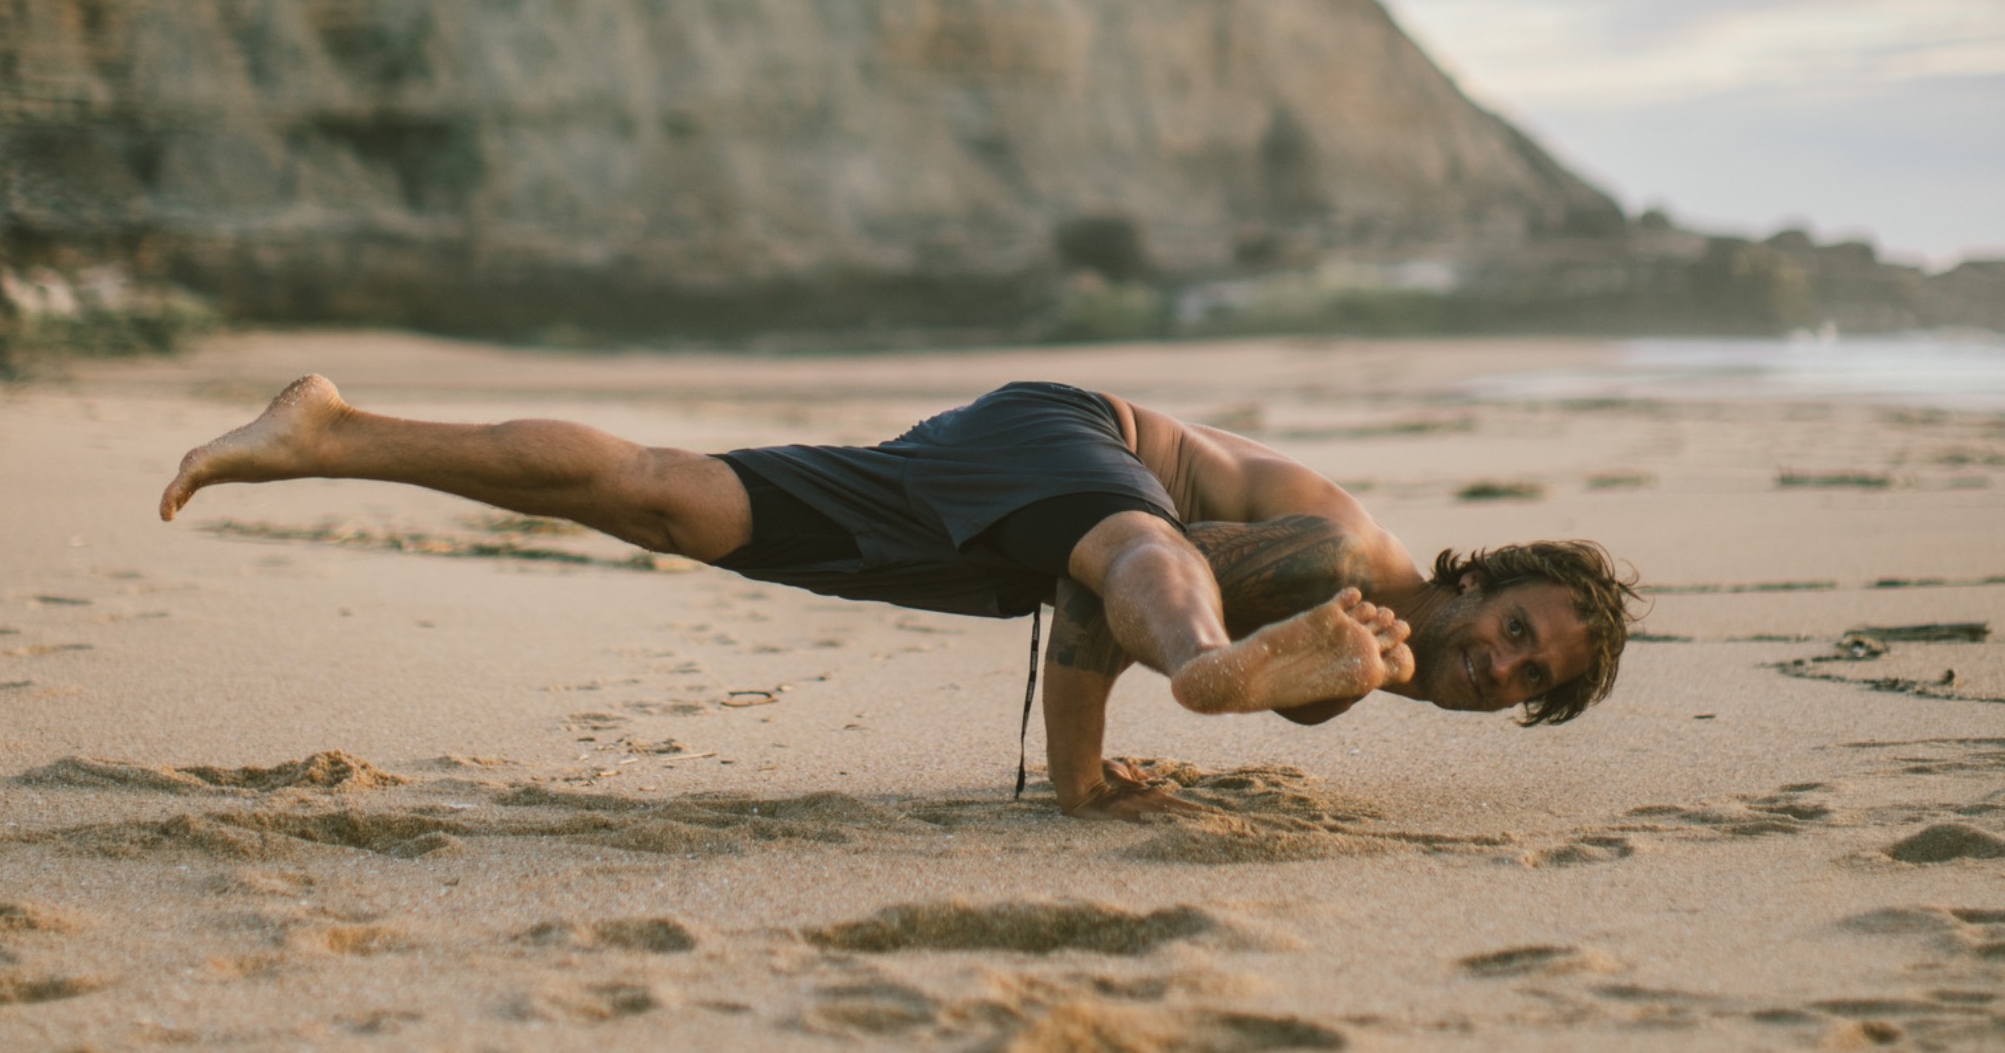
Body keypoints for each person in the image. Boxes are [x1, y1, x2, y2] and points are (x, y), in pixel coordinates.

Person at [160, 377, 1640, 822]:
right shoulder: (1353, 559)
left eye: (1527, 678)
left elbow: (1077, 607)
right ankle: (1203, 672)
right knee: (1184, 578)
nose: (1497, 663)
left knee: (668, 497)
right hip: (1085, 451)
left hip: (1005, 526)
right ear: (1476, 577)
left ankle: (332, 431)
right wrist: (1200, 672)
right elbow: (1130, 564)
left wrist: (1076, 776)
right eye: (1512, 626)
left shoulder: (1364, 651)